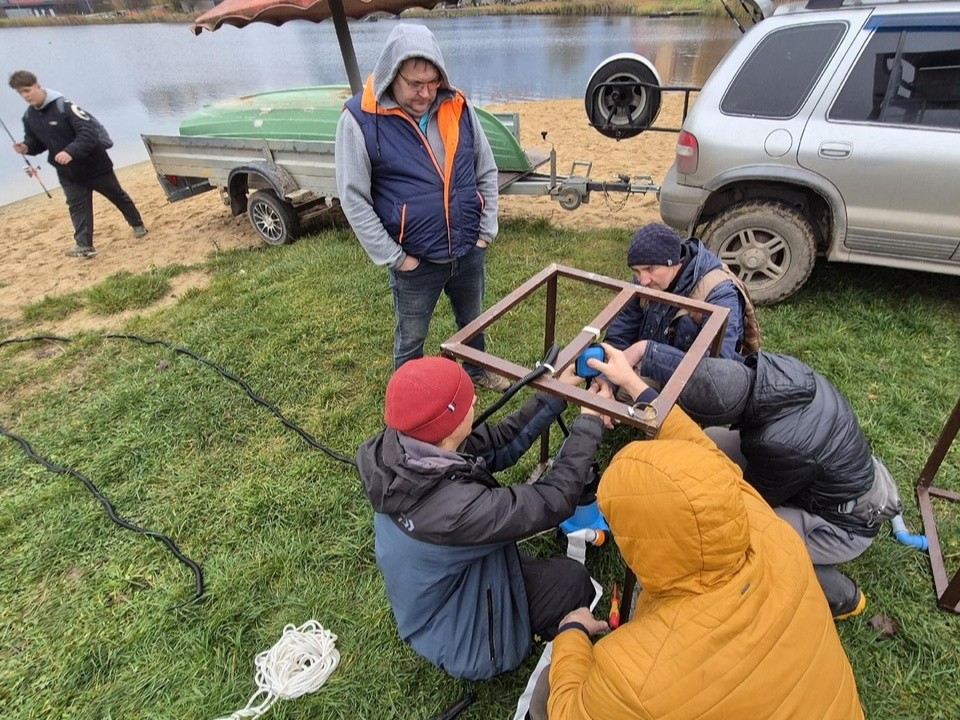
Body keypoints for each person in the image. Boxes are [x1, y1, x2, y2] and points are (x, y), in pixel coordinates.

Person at [536, 344, 864, 720]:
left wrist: (572, 634)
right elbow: (703, 454)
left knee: (549, 691)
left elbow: (569, 712)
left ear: (640, 544)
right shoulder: (771, 532)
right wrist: (632, 382)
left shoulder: (634, 673)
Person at [356, 356, 609, 680]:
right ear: (446, 426)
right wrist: (589, 423)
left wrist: (557, 393)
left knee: (534, 570)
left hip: (430, 598)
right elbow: (552, 500)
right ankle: (532, 637)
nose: (474, 398)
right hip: (467, 644)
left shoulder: (406, 449)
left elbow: (500, 443)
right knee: (572, 581)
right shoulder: (456, 512)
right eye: (463, 400)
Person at [335, 24, 508, 392]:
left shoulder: (458, 106)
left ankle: (477, 371)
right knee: (411, 339)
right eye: (415, 84)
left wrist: (485, 231)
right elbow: (353, 198)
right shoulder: (359, 119)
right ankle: (408, 397)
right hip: (414, 262)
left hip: (468, 249)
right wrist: (397, 258)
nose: (426, 93)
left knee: (473, 322)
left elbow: (486, 169)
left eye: (432, 82)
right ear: (390, 75)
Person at [677, 351, 903, 618]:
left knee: (747, 533)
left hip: (845, 525)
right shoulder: (769, 370)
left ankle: (843, 597)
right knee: (711, 439)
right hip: (826, 477)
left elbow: (750, 502)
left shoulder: (777, 446)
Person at [8, 70, 147, 258]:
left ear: (37, 85)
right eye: (20, 93)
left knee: (117, 196)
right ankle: (84, 245)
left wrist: (70, 151)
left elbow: (88, 134)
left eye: (27, 90)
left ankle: (137, 224)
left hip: (95, 166)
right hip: (68, 173)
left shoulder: (65, 107)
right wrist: (25, 147)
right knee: (76, 206)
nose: (25, 96)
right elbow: (36, 143)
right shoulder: (29, 117)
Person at [603, 223, 758, 387]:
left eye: (650, 269)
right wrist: (608, 380)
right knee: (606, 396)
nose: (643, 280)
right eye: (637, 271)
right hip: (652, 370)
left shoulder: (719, 294)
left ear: (674, 261)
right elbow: (621, 332)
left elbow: (716, 370)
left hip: (697, 387)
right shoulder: (646, 281)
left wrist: (647, 352)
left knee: (634, 406)